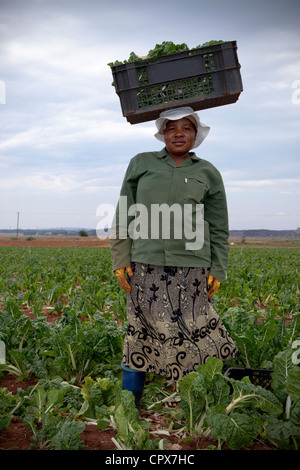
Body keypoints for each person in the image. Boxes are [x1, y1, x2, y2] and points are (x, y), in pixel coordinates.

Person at [110, 106, 238, 409]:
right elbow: (123, 212)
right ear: (162, 133)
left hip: (192, 266)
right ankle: (131, 405)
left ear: (195, 135)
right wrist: (120, 258)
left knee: (194, 332)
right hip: (145, 263)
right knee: (139, 330)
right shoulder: (141, 163)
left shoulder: (208, 172)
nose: (179, 133)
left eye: (186, 128)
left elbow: (219, 227)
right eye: (171, 128)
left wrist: (217, 268)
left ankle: (194, 401)